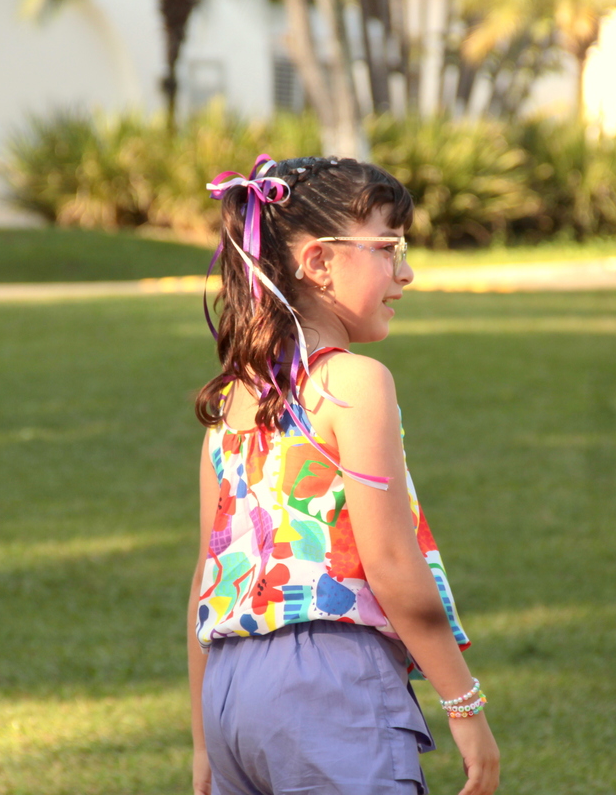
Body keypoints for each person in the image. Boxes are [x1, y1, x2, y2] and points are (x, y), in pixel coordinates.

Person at [186, 155, 500, 795]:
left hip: (228, 691)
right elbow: (389, 561)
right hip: (329, 684)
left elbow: (204, 580)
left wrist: (203, 744)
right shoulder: (355, 384)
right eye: (388, 247)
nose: (405, 271)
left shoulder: (230, 408)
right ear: (319, 262)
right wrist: (464, 703)